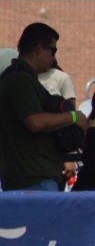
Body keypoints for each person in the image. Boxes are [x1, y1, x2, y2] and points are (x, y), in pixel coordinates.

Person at [0, 23, 89, 192]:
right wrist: (73, 117)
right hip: (33, 180)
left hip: (35, 178)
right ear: (39, 49)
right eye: (52, 51)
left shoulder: (25, 78)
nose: (53, 58)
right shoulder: (19, 79)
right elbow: (35, 122)